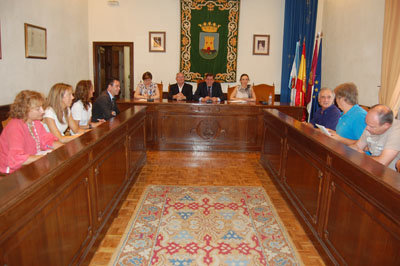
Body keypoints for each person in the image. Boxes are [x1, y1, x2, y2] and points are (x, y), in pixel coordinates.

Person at [0, 91, 61, 174]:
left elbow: (47, 141)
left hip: (30, 165)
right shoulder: (15, 127)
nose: (42, 111)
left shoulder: (35, 122)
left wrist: (64, 149)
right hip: (11, 172)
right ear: (25, 109)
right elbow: (16, 158)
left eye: (42, 107)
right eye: (38, 109)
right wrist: (43, 157)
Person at [351, 105, 400, 170]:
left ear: (386, 125)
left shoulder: (397, 131)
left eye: (371, 126)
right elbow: (357, 146)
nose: (367, 128)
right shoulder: (371, 124)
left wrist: (363, 157)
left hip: (388, 175)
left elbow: (382, 162)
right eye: (366, 124)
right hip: (371, 167)